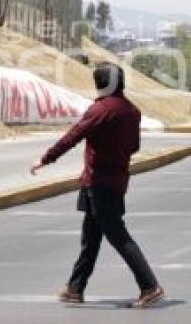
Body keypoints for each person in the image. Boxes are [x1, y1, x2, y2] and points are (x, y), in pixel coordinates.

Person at [30, 62, 164, 309]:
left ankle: (150, 286)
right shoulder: (132, 111)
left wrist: (45, 159)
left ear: (101, 84)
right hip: (115, 180)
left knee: (118, 236)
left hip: (99, 182)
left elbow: (73, 136)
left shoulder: (100, 110)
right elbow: (134, 147)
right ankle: (75, 288)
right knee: (90, 238)